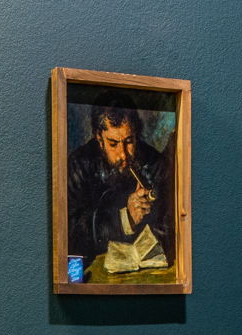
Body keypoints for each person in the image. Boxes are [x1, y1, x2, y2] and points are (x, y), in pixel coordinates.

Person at [67, 97, 174, 265]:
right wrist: (126, 219)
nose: (123, 154)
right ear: (99, 139)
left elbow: (172, 227)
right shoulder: (79, 165)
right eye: (113, 143)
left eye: (129, 141)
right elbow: (71, 233)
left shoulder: (155, 164)